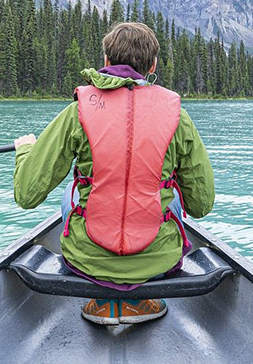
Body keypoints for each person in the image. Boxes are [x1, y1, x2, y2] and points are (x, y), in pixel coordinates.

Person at [14, 21, 214, 325]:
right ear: (152, 65)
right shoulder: (179, 119)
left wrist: (26, 150)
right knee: (170, 201)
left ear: (106, 60)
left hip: (86, 261)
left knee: (71, 197)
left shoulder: (76, 113)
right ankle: (140, 301)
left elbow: (27, 194)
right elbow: (201, 205)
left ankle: (103, 300)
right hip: (158, 262)